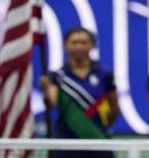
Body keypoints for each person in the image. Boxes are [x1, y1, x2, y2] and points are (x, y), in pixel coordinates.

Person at [40, 27, 119, 158]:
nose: (79, 47)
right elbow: (51, 104)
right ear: (66, 45)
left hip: (98, 141)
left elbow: (115, 108)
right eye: (74, 42)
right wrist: (46, 89)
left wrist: (98, 127)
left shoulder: (105, 74)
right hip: (65, 143)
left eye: (83, 42)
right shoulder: (57, 76)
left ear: (92, 45)